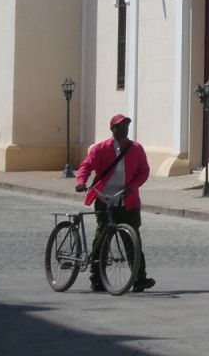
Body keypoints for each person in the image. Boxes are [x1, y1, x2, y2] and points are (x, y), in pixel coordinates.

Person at [75, 113, 154, 292]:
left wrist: (133, 186)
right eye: (120, 125)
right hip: (105, 199)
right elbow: (86, 166)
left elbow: (144, 171)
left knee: (133, 240)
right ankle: (97, 278)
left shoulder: (136, 148)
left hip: (128, 201)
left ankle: (139, 279)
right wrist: (81, 182)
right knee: (102, 238)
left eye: (126, 125)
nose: (124, 128)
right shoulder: (100, 149)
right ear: (112, 129)